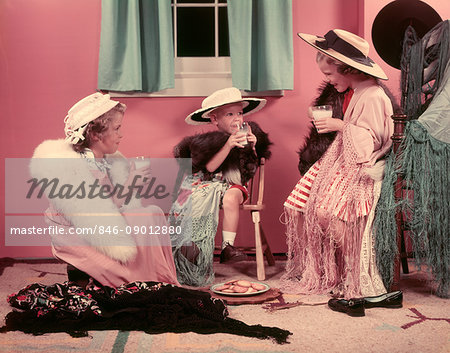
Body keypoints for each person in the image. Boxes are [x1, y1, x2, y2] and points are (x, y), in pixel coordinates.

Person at [282, 29, 394, 298]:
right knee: (296, 204)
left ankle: (353, 272)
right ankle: (317, 268)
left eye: (330, 75)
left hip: (362, 168)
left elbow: (370, 145)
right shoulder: (358, 92)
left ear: (348, 68)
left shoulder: (374, 95)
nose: (329, 81)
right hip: (341, 159)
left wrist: (339, 125)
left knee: (326, 213)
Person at [29, 93, 180, 288]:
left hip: (96, 225)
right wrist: (131, 183)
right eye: (116, 129)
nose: (121, 134)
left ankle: (157, 273)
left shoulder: (103, 161)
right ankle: (146, 276)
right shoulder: (78, 167)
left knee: (152, 213)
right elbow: (98, 213)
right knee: (148, 215)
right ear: (95, 135)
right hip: (77, 234)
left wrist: (130, 181)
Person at [169, 87, 272, 286]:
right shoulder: (208, 144)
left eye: (240, 113)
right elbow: (210, 168)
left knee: (231, 196)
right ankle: (191, 248)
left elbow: (249, 170)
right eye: (230, 114)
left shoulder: (248, 135)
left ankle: (227, 247)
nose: (237, 118)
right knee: (190, 198)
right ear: (215, 120)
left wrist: (253, 146)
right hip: (210, 185)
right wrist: (228, 145)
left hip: (234, 186)